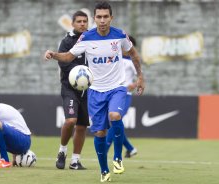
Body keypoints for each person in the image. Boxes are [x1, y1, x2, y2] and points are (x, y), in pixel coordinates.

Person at [44, 1, 145, 182]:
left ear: (111, 18)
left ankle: (117, 157)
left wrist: (140, 78)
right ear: (95, 19)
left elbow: (134, 55)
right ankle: (104, 171)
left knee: (115, 115)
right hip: (96, 91)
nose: (102, 20)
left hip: (117, 87)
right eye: (99, 17)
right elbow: (68, 56)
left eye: (106, 16)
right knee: (99, 133)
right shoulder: (87, 38)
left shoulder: (120, 35)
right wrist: (54, 54)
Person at [55, 10, 89, 170]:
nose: (82, 24)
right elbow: (64, 63)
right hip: (70, 89)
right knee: (70, 121)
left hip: (88, 91)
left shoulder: (92, 39)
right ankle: (62, 151)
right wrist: (82, 72)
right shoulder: (67, 42)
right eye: (79, 21)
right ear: (73, 24)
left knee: (82, 126)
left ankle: (75, 161)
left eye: (85, 21)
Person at [106, 36, 138, 158]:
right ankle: (130, 148)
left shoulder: (132, 61)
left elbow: (140, 78)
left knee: (114, 121)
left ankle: (105, 148)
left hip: (125, 95)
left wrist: (133, 85)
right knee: (115, 123)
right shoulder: (115, 59)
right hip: (112, 94)